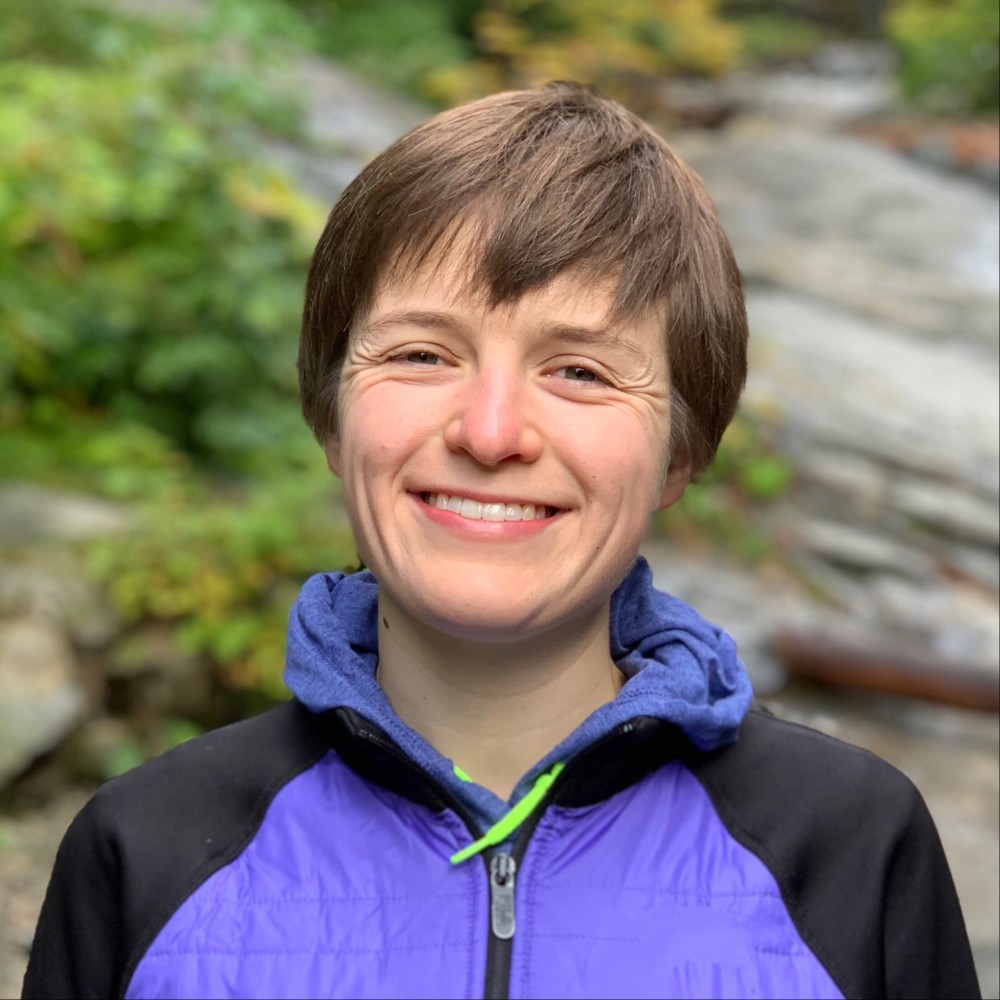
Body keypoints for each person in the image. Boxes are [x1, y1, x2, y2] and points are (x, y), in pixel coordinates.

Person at [23, 83, 979, 1000]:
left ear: (678, 454)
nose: (489, 432)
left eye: (580, 371)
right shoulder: (146, 852)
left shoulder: (847, 844)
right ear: (331, 416)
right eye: (421, 355)